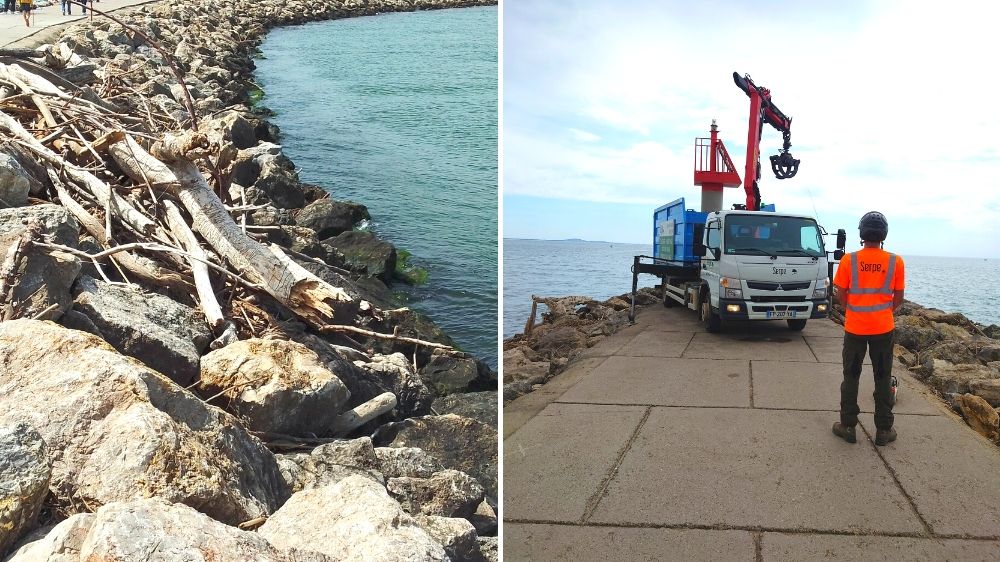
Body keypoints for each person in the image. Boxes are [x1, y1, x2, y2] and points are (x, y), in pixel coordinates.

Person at [831, 211, 905, 446]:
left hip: (855, 328)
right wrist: (882, 312)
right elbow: (899, 297)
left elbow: (840, 294)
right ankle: (884, 430)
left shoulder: (848, 261)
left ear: (862, 234)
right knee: (883, 378)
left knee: (851, 377)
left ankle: (848, 426)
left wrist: (853, 309)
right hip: (883, 329)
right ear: (883, 235)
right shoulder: (896, 261)